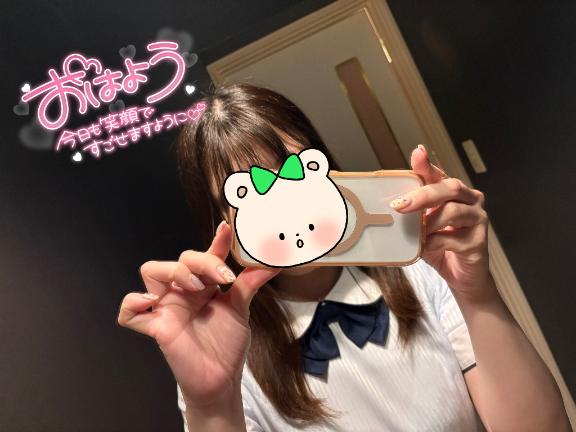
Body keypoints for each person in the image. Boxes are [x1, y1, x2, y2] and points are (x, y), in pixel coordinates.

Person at [117, 83, 570, 431]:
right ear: (221, 221)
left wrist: (477, 293)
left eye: (294, 168)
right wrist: (213, 405)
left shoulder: (423, 274)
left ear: (326, 166)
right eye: (249, 192)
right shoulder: (223, 353)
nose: (285, 205)